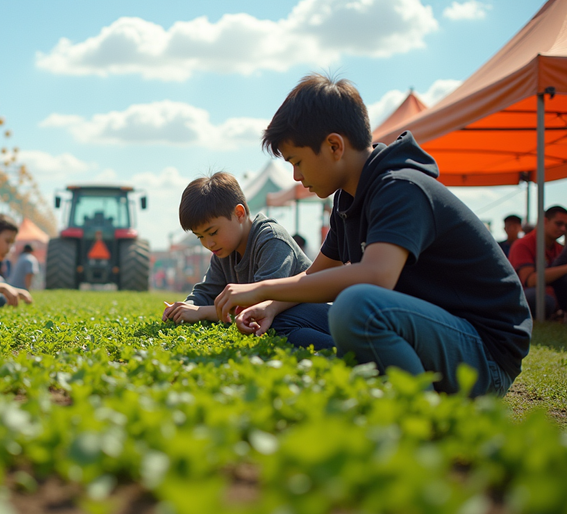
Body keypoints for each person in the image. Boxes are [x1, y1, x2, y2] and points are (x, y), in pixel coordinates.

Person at [217, 73, 531, 397]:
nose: (296, 176)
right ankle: (368, 381)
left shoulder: (400, 186)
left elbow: (377, 276)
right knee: (287, 316)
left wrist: (260, 287)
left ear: (334, 146)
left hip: (483, 355)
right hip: (421, 332)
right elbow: (314, 274)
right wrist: (270, 305)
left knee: (356, 304)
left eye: (298, 162)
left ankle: (416, 412)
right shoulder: (346, 198)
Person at [162, 172, 334, 350]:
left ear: (239, 213)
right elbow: (206, 292)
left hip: (323, 315)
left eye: (213, 232)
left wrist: (200, 312)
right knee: (269, 325)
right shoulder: (223, 250)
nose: (208, 243)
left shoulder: (271, 239)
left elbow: (260, 306)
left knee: (273, 322)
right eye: (200, 237)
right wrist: (185, 308)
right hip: (287, 318)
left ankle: (346, 351)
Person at [508, 205, 567, 319]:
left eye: (566, 225)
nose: (563, 229)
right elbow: (530, 281)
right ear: (545, 221)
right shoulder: (522, 244)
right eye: (559, 224)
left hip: (553, 295)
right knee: (540, 298)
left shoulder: (559, 248)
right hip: (523, 296)